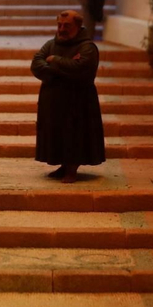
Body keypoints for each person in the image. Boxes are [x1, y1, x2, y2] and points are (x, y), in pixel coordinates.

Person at [31, 10, 106, 184]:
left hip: (77, 102)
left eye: (67, 25)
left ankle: (72, 169)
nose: (62, 29)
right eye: (59, 25)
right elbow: (36, 64)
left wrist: (54, 60)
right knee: (56, 133)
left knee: (75, 134)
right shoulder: (50, 44)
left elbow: (81, 69)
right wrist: (62, 68)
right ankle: (64, 165)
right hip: (53, 101)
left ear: (78, 26)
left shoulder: (87, 47)